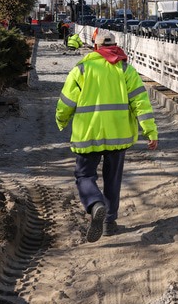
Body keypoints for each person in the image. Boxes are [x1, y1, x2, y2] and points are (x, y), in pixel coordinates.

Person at [55, 30, 159, 242]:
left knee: (84, 175)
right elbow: (141, 103)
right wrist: (150, 131)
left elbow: (66, 102)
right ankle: (109, 222)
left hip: (88, 134)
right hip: (118, 136)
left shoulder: (82, 69)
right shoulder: (125, 69)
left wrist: (61, 120)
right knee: (113, 178)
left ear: (95, 47)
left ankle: (95, 203)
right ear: (115, 45)